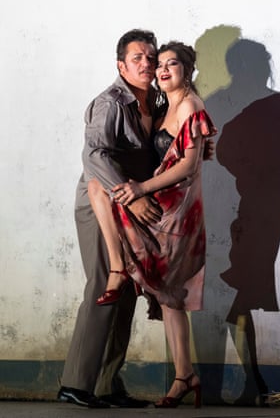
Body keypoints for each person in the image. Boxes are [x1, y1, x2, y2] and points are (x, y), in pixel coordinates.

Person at [91, 41, 216, 408]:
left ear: (187, 70)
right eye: (158, 64)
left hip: (176, 213)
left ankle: (119, 268)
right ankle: (185, 376)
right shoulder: (164, 106)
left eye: (171, 64)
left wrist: (140, 188)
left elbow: (187, 167)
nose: (161, 70)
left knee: (172, 293)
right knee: (170, 296)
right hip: (161, 205)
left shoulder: (191, 105)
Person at [57, 29, 164, 408]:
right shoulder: (111, 103)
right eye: (138, 58)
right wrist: (130, 198)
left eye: (151, 57)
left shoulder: (158, 99)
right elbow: (94, 157)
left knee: (127, 293)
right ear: (121, 64)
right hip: (102, 201)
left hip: (133, 203)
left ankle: (106, 384)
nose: (147, 64)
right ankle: (76, 382)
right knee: (105, 283)